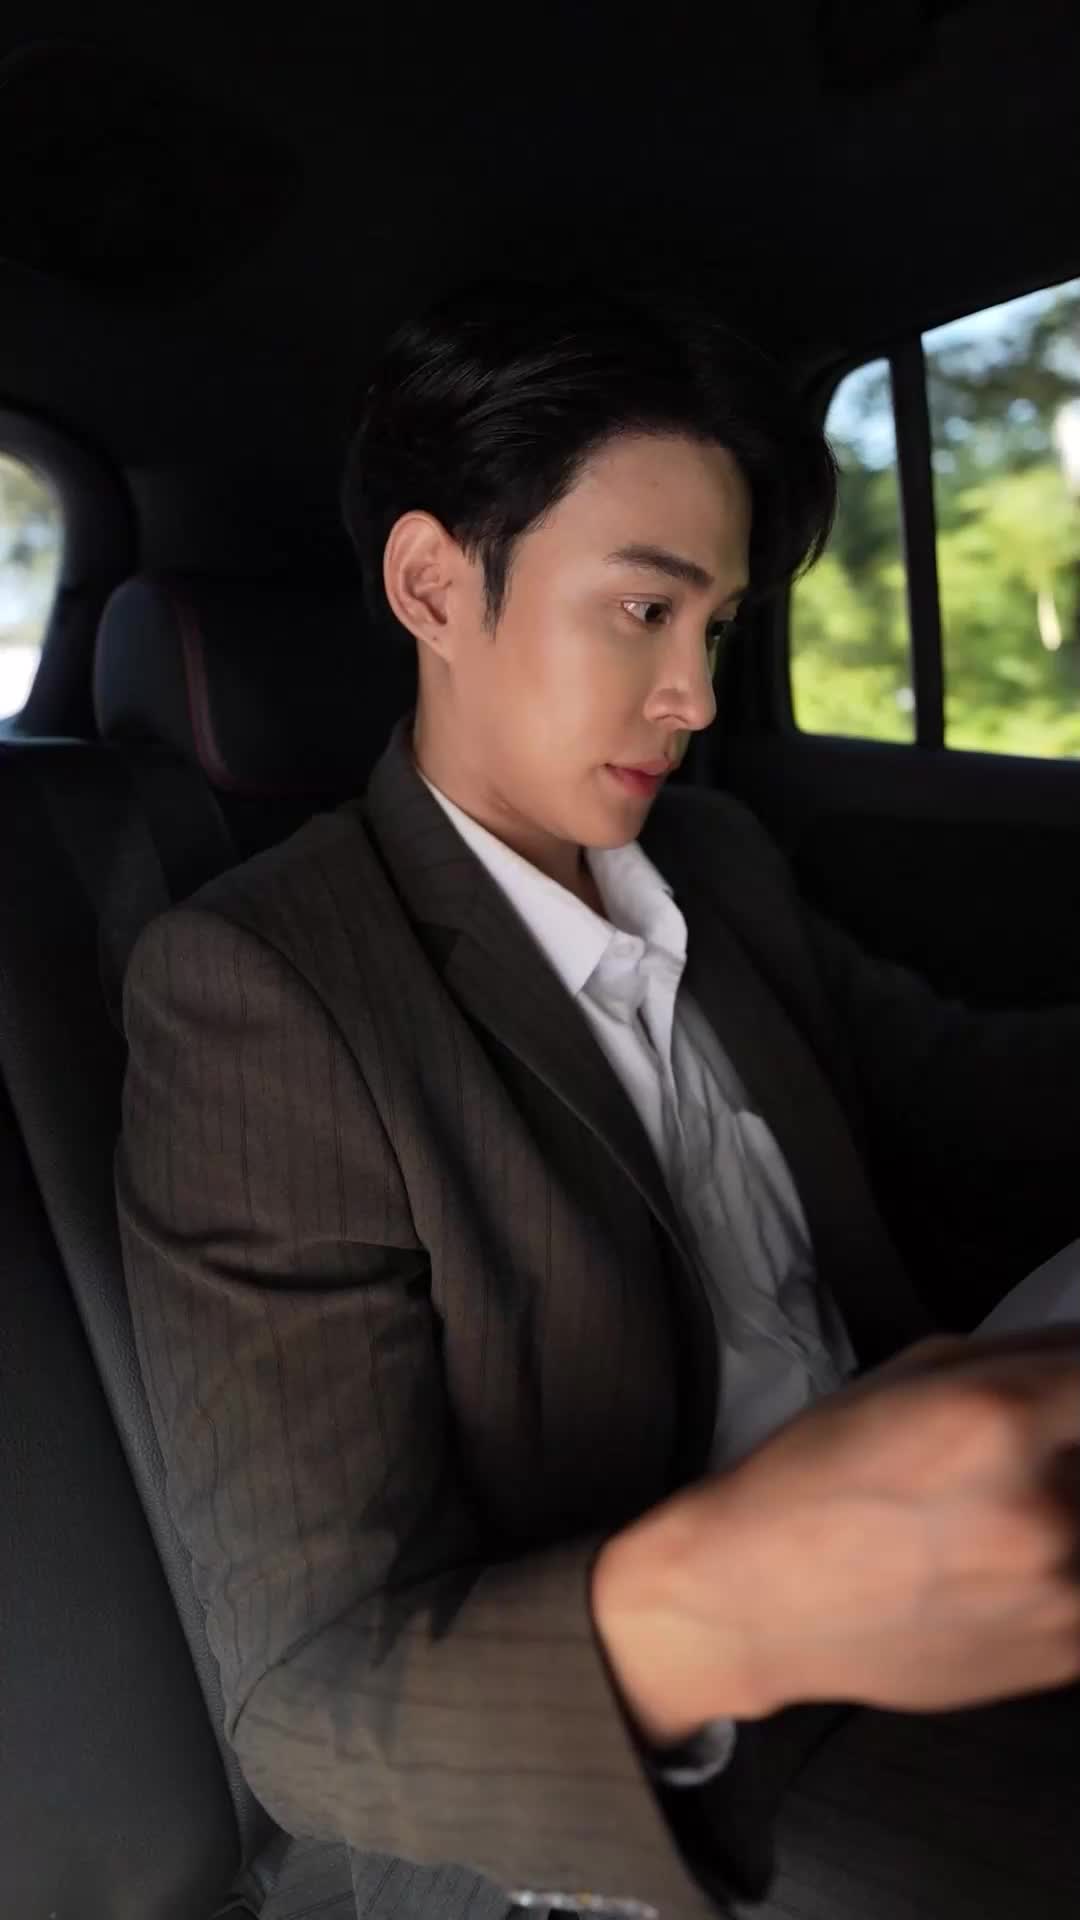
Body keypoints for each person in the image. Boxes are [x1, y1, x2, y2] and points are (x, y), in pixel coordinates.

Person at [115, 275, 1080, 1920]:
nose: (694, 695)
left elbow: (965, 1086)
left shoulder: (713, 859)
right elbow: (309, 1704)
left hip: (922, 1601)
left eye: (717, 627)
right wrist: (736, 1606)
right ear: (434, 584)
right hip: (617, 1784)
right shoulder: (261, 993)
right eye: (644, 609)